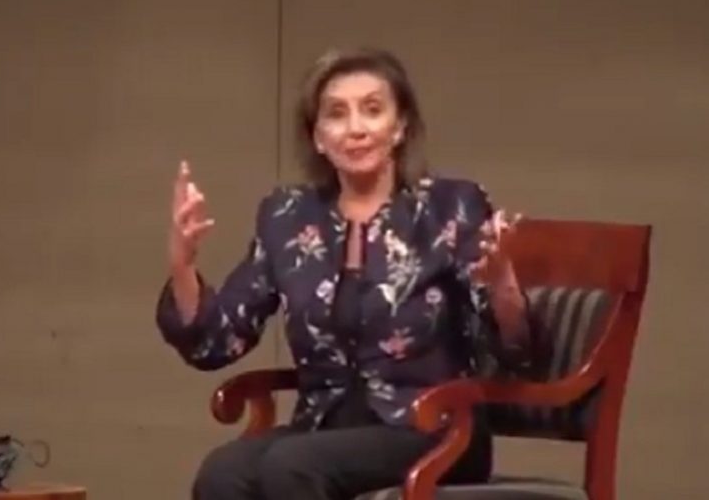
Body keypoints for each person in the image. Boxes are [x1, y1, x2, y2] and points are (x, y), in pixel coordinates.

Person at [156, 47, 533, 500]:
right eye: (336, 114)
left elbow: (518, 352)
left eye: (372, 110)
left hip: (435, 429)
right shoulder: (288, 217)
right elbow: (219, 340)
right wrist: (183, 266)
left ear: (400, 126)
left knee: (293, 466)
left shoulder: (449, 208)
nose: (356, 128)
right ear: (318, 136)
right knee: (223, 473)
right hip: (326, 426)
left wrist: (502, 284)